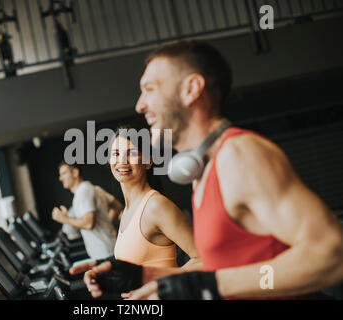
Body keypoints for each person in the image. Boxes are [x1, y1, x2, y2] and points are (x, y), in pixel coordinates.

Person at [70, 40, 343, 299]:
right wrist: (145, 275)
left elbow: (332, 255)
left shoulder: (239, 154)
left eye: (150, 89)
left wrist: (210, 286)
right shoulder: (202, 172)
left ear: (191, 89)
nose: (140, 105)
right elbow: (224, 266)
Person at [110, 128, 199, 272]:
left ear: (148, 162)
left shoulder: (156, 206)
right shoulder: (127, 211)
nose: (122, 161)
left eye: (131, 153)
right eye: (116, 154)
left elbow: (202, 258)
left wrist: (158, 282)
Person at [52, 162, 122, 260]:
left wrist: (64, 218)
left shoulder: (83, 191)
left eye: (64, 173)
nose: (60, 178)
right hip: (110, 248)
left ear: (75, 173)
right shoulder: (93, 188)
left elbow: (88, 223)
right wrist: (106, 224)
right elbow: (117, 206)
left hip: (104, 253)